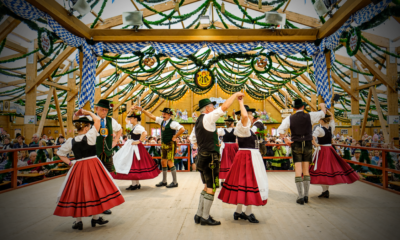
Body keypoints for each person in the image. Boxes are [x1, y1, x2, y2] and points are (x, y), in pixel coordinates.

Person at [54, 109, 125, 230]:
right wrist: (88, 112)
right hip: (93, 166)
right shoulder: (91, 136)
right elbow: (97, 120)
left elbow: (60, 154)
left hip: (78, 167)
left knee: (79, 192)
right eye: (89, 126)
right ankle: (95, 219)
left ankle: (78, 221)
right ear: (87, 128)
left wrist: (71, 163)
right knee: (95, 190)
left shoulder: (70, 141)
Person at [189, 92, 244, 226]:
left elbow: (192, 139)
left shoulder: (198, 121)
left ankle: (199, 214)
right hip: (210, 158)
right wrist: (236, 95)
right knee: (212, 187)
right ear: (207, 109)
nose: (214, 109)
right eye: (212, 107)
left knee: (205, 186)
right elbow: (224, 107)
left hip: (202, 156)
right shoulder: (208, 117)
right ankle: (205, 217)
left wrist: (202, 145)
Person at [218, 101, 268, 224]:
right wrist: (240, 102)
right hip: (247, 156)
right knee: (250, 182)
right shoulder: (242, 125)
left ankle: (239, 211)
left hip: (248, 155)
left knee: (244, 183)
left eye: (251, 114)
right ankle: (248, 212)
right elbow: (245, 119)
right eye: (249, 114)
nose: (251, 116)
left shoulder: (247, 126)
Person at [277, 99, 327, 205]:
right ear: (303, 107)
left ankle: (300, 197)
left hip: (296, 144)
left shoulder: (289, 118)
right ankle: (306, 196)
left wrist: (285, 140)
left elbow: (280, 130)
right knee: (306, 171)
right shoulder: (310, 116)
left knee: (298, 171)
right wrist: (322, 106)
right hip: (308, 144)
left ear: (294, 108)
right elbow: (323, 113)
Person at [309, 111, 359, 198]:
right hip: (330, 149)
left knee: (322, 170)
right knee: (328, 169)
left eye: (320, 119)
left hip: (322, 150)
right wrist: (327, 111)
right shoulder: (331, 127)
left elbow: (312, 138)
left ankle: (325, 191)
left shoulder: (319, 129)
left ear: (321, 120)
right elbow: (332, 117)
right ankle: (325, 191)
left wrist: (316, 144)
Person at [136, 105, 185, 188]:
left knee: (170, 162)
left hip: (170, 144)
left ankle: (175, 182)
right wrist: (142, 110)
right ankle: (164, 181)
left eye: (165, 114)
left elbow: (182, 129)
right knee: (163, 162)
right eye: (162, 114)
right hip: (164, 144)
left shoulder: (173, 123)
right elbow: (151, 116)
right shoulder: (162, 121)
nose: (163, 115)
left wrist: (175, 136)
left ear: (169, 115)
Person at [112, 108, 161, 190]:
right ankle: (136, 184)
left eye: (131, 118)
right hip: (131, 146)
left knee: (133, 164)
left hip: (135, 147)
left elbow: (144, 133)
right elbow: (126, 119)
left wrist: (139, 141)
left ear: (135, 119)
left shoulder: (138, 127)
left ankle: (135, 184)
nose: (130, 119)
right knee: (132, 165)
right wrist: (131, 111)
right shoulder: (132, 126)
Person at [94, 99, 122, 215]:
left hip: (108, 153)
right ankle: (94, 205)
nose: (104, 112)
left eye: (106, 110)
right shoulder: (91, 120)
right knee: (95, 180)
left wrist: (115, 140)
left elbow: (120, 130)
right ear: (96, 109)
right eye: (102, 109)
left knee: (107, 179)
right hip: (94, 154)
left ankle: (105, 205)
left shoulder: (110, 121)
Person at [217, 116, 238, 183]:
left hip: (226, 146)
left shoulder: (222, 130)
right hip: (232, 146)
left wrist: (220, 142)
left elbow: (217, 135)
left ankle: (223, 180)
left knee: (225, 162)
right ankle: (232, 179)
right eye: (233, 123)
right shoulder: (235, 130)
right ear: (231, 123)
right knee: (233, 162)